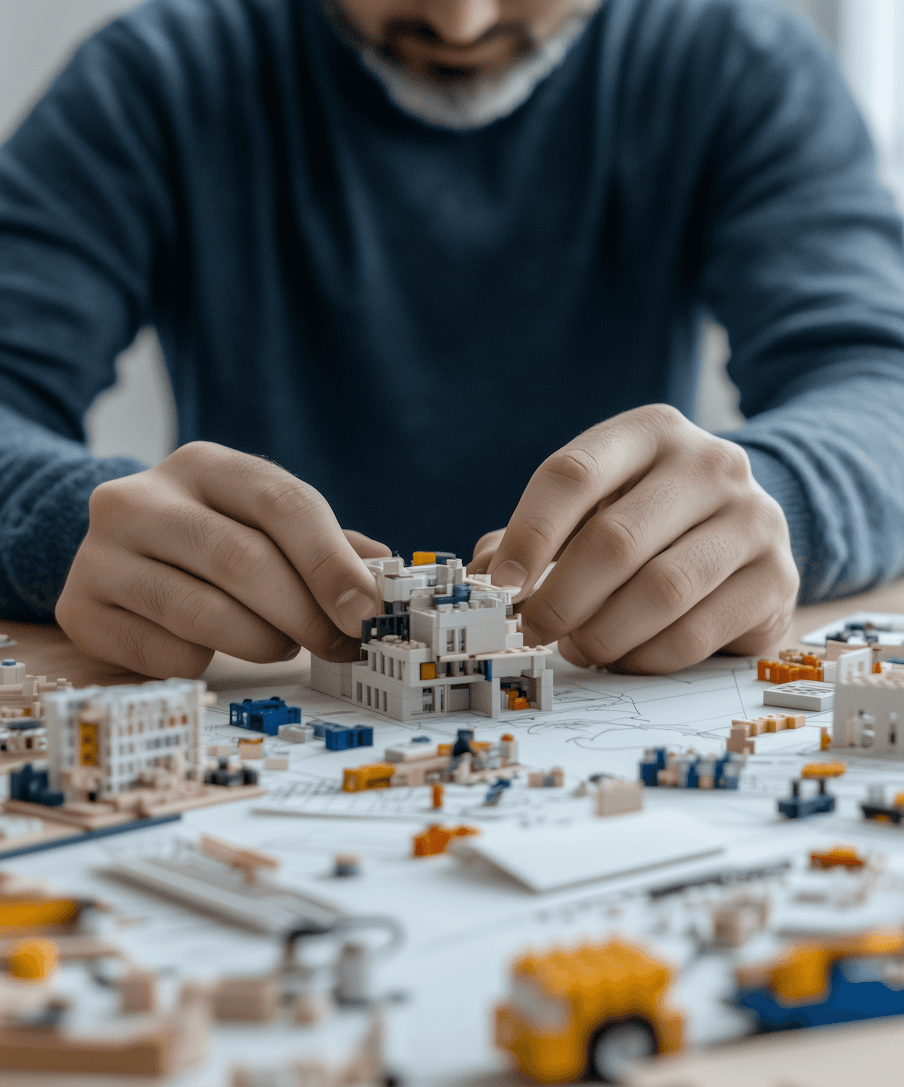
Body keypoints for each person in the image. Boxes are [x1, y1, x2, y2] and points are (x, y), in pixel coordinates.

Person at [1, 0, 903, 679]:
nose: (460, 21)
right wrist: (63, 519)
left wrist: (775, 504)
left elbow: (878, 383)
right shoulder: (158, 74)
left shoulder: (737, 62)